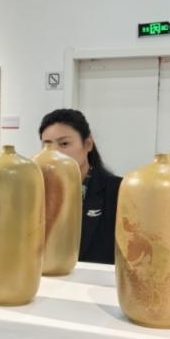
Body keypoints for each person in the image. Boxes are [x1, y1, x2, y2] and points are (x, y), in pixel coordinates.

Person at [39, 108, 122, 264]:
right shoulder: (36, 192)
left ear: (88, 144)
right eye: (47, 146)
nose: (54, 153)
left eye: (64, 144)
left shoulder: (118, 191)